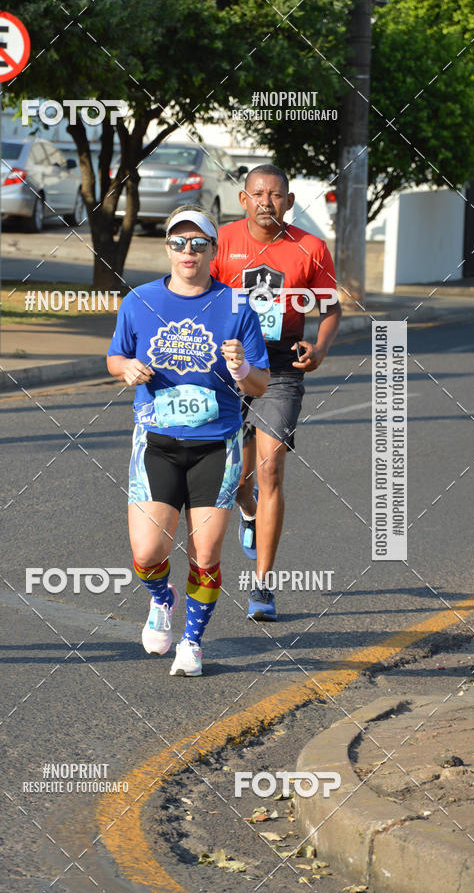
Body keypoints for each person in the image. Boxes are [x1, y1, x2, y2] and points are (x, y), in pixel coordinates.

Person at [107, 205, 270, 676]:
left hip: (216, 445)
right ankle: (162, 598)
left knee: (206, 553)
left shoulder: (236, 305)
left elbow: (260, 384)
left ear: (213, 251)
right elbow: (115, 357)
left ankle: (192, 642)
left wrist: (241, 368)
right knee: (146, 554)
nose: (188, 251)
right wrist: (126, 369)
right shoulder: (139, 300)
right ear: (167, 249)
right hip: (157, 441)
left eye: (198, 243)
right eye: (179, 242)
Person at [211, 165, 342, 621]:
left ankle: (263, 585)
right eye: (258, 193)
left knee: (270, 470)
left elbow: (330, 308)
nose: (266, 201)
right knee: (234, 480)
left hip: (281, 366)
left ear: (289, 201)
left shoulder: (311, 248)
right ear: (243, 199)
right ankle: (247, 511)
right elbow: (197, 295)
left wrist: (320, 348)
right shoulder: (221, 242)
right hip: (228, 365)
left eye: (276, 194)